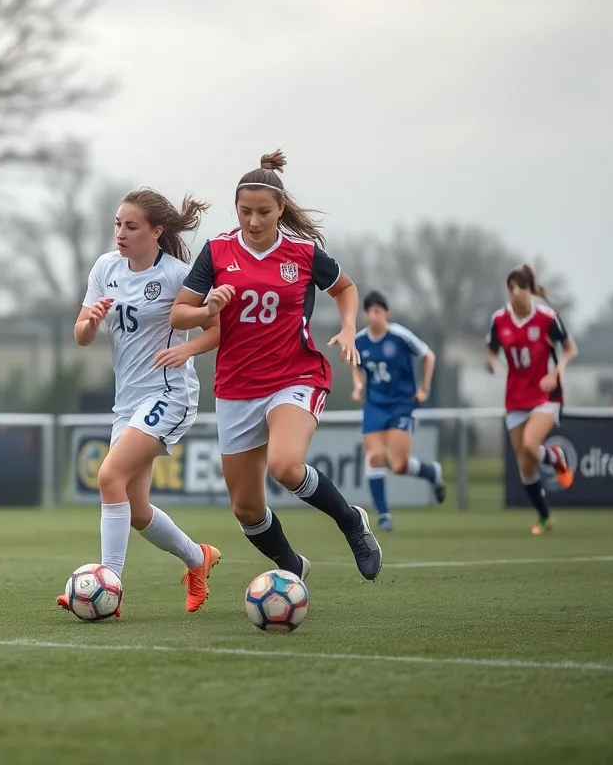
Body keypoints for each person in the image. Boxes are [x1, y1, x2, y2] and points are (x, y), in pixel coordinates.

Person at [171, 150, 382, 582]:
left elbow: (345, 288)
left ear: (281, 209)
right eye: (244, 211)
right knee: (246, 508)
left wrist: (347, 327)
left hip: (295, 376)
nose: (252, 221)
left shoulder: (303, 253)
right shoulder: (217, 252)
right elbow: (179, 315)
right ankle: (291, 567)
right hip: (236, 387)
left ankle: (352, 523)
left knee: (286, 466)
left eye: (263, 212)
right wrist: (207, 306)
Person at [58, 188, 221, 617]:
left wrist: (188, 351)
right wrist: (90, 322)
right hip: (126, 403)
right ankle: (197, 558)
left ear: (156, 231)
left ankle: (108, 589)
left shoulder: (176, 275)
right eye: (117, 224)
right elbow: (81, 334)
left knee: (109, 474)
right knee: (136, 510)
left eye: (131, 226)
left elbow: (220, 329)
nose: (120, 233)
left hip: (169, 394)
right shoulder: (105, 268)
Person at [486, 264, 578, 535]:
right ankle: (544, 516)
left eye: (520, 288)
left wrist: (555, 372)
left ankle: (555, 458)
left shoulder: (547, 318)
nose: (515, 293)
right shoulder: (499, 320)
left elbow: (571, 349)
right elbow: (491, 352)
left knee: (529, 443)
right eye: (511, 288)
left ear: (529, 291)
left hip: (545, 394)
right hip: (515, 396)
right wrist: (496, 366)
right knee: (524, 462)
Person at [351, 291, 446, 531]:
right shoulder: (360, 341)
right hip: (374, 406)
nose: (373, 316)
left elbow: (428, 356)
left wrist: (424, 388)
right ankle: (384, 515)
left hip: (401, 404)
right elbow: (354, 363)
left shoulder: (400, 336)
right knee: (373, 457)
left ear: (386, 313)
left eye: (378, 311)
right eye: (369, 311)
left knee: (398, 464)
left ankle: (431, 472)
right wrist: (359, 385)